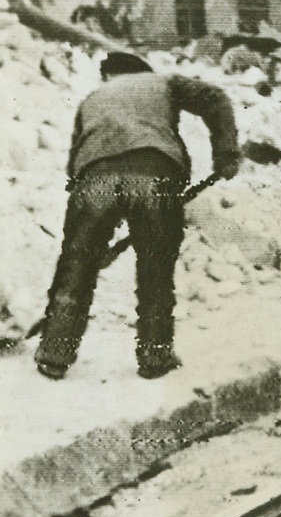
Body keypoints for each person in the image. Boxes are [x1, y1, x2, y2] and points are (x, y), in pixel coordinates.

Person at [35, 52, 240, 381]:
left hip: (93, 180)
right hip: (154, 172)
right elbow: (215, 98)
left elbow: (74, 162)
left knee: (76, 266)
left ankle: (54, 353)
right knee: (155, 267)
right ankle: (154, 357)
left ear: (109, 76)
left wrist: (92, 227)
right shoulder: (164, 82)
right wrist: (226, 153)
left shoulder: (92, 99)